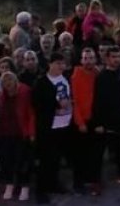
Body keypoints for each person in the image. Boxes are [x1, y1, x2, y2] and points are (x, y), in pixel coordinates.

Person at [31, 52, 73, 203]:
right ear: (50, 64)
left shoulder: (65, 78)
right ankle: (41, 190)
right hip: (48, 126)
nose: (61, 66)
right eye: (58, 63)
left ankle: (54, 183)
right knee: (45, 160)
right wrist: (55, 107)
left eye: (63, 63)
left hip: (64, 124)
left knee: (56, 159)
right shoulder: (42, 82)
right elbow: (36, 103)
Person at [91, 46, 120, 187]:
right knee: (99, 154)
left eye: (117, 57)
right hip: (104, 123)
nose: (116, 59)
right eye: (113, 57)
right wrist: (98, 123)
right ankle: (96, 182)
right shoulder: (101, 77)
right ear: (107, 59)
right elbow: (97, 101)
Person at [0, 71, 34, 202]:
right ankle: (9, 184)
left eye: (10, 80)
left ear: (15, 81)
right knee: (6, 161)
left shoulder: (25, 92)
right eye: (5, 82)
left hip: (21, 133)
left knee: (22, 161)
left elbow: (31, 113)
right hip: (4, 134)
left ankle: (24, 186)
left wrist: (31, 132)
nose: (8, 84)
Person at [70, 48, 101, 195]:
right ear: (81, 60)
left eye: (91, 58)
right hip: (81, 121)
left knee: (95, 154)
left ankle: (94, 181)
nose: (88, 61)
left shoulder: (98, 74)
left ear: (95, 59)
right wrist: (80, 122)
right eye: (86, 58)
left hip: (95, 120)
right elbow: (74, 101)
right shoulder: (76, 75)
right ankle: (78, 183)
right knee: (80, 155)